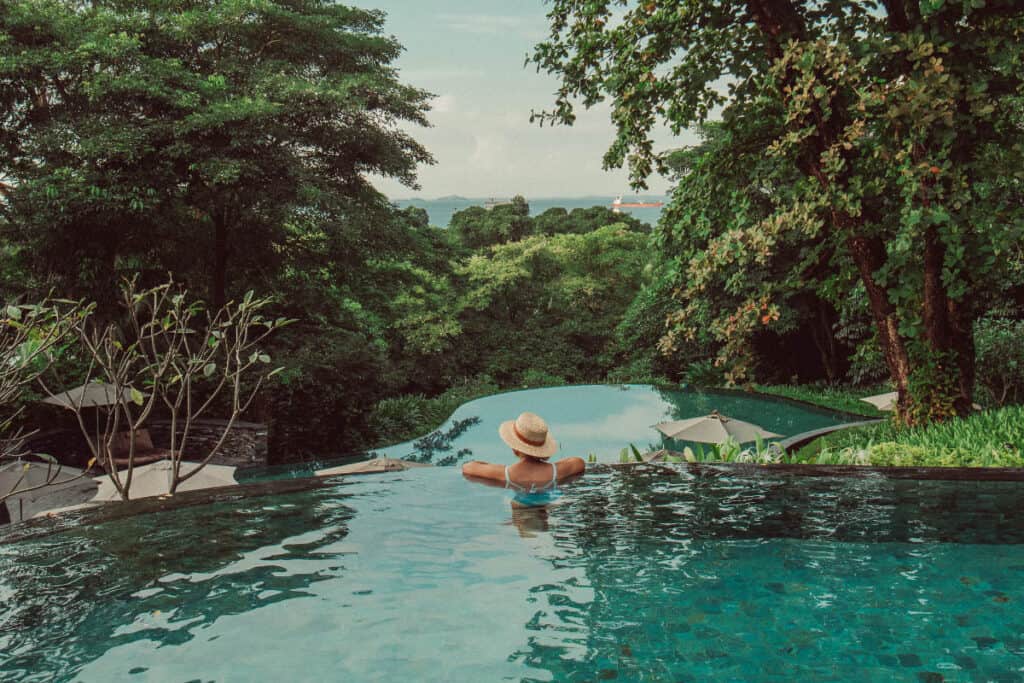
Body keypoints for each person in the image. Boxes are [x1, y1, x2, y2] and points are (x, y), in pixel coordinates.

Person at [461, 411, 585, 505]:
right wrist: (553, 465)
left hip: (519, 508)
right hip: (550, 501)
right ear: (543, 447)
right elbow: (579, 462)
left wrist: (490, 466)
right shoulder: (557, 472)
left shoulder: (504, 474)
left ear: (514, 447)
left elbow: (467, 467)